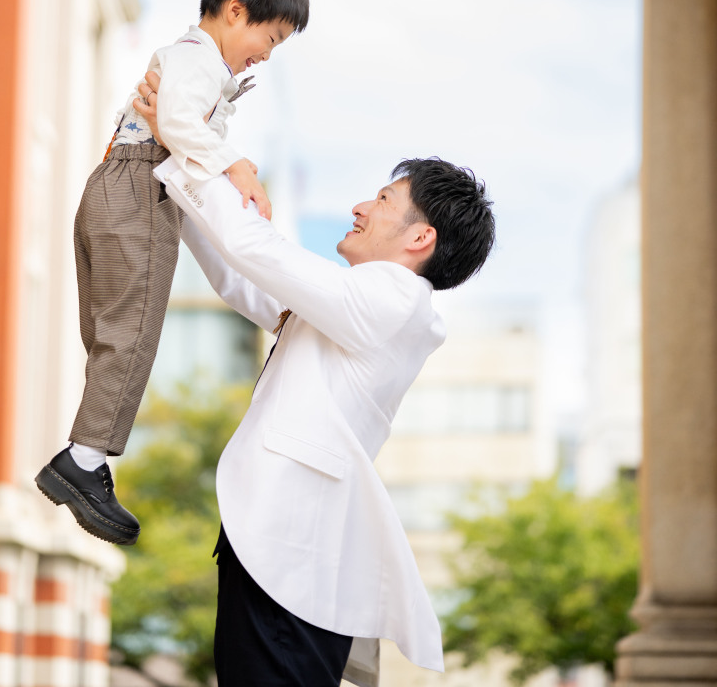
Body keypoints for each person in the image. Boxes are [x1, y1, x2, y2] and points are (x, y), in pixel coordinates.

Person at [137, 75, 495, 687]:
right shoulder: (364, 305)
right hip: (278, 554)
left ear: (420, 237)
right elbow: (243, 279)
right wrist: (174, 164)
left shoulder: (395, 298)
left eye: (382, 200)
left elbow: (258, 251)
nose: (360, 206)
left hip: (288, 556)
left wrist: (194, 148)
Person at [35, 0, 310, 547]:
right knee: (131, 333)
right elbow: (180, 128)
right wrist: (236, 165)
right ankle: (81, 464)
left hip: (123, 187)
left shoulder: (197, 67)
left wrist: (271, 307)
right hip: (137, 187)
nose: (266, 55)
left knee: (115, 332)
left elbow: (215, 244)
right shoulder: (196, 59)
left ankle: (85, 459)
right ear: (235, 11)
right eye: (273, 37)